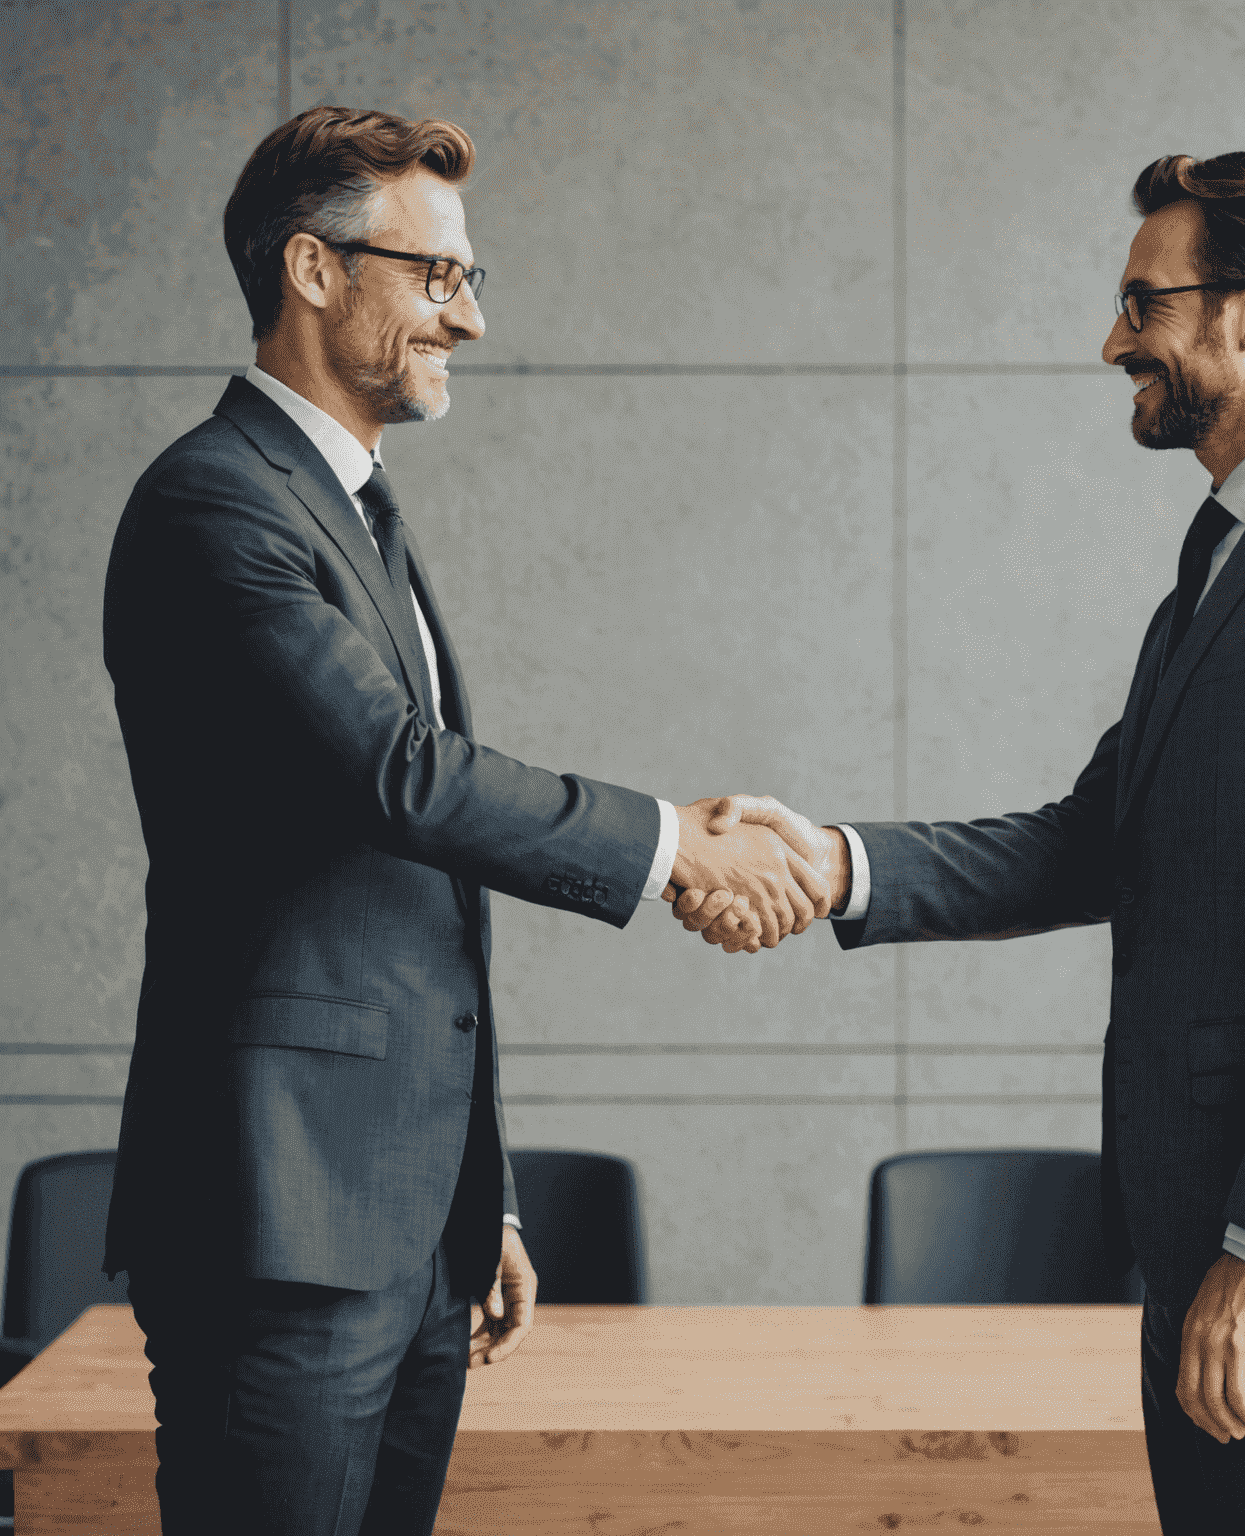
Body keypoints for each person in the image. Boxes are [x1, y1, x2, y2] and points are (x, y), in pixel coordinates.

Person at [673, 150, 1245, 1533]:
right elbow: (1091, 842)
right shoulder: (1236, 550)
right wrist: (832, 863)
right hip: (1217, 1236)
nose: (1115, 340)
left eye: (1144, 301)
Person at [101, 104, 827, 1536]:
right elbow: (401, 777)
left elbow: (408, 897)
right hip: (280, 1226)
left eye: (468, 279)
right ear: (313, 271)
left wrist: (474, 1201)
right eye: (438, 276)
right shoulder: (214, 507)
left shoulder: (352, 509)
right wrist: (676, 850)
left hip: (401, 1232)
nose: (471, 319)